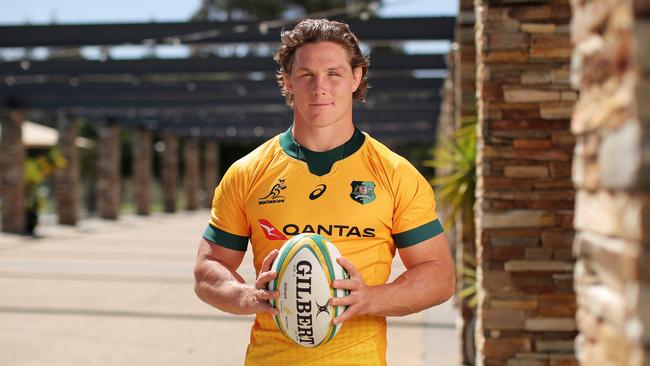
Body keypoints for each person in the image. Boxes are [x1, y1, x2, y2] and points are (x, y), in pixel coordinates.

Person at [193, 18, 455, 365]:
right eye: (306, 75)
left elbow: (439, 275)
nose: (320, 88)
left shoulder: (395, 174)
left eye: (334, 73)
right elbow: (208, 267)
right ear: (287, 80)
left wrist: (369, 298)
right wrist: (246, 296)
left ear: (356, 77)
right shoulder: (247, 173)